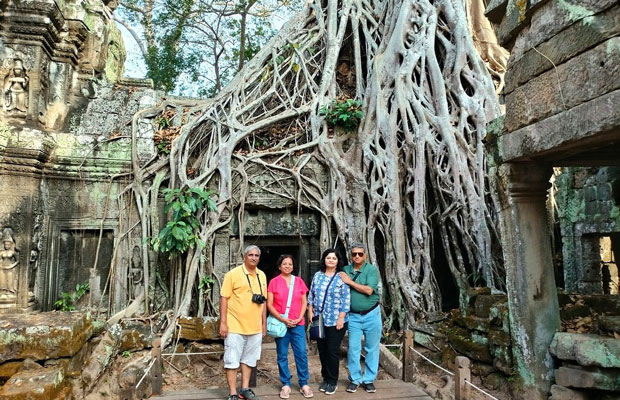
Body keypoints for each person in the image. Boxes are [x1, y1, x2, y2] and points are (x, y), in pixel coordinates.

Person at [220, 245, 267, 400]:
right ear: (244, 256)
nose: (254, 258)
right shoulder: (232, 274)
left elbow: (264, 302)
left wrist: (263, 324)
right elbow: (224, 298)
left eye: (256, 255)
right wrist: (223, 323)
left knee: (249, 359)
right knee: (232, 360)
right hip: (235, 325)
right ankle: (233, 392)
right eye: (250, 255)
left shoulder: (262, 275)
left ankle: (244, 389)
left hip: (254, 327)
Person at [267, 255, 313, 399]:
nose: (287, 266)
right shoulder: (273, 282)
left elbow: (304, 302)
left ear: (293, 266)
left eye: (290, 264)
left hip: (298, 324)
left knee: (301, 353)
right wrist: (283, 319)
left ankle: (304, 383)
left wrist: (300, 317)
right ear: (279, 266)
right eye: (284, 264)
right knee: (282, 354)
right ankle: (285, 384)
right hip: (281, 324)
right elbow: (269, 304)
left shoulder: (299, 281)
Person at [340, 243, 381, 393]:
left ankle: (369, 379)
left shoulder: (371, 270)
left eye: (360, 254)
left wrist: (350, 282)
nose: (357, 256)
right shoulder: (346, 270)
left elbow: (369, 290)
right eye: (354, 254)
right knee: (353, 349)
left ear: (365, 255)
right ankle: (355, 379)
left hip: (372, 314)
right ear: (350, 256)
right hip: (353, 316)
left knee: (372, 348)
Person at [308, 249, 350, 395]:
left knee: (332, 351)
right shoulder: (318, 276)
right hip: (320, 319)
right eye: (328, 257)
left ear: (338, 261)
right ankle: (325, 378)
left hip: (336, 320)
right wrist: (310, 311)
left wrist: (341, 318)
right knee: (323, 350)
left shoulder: (341, 277)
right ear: (324, 260)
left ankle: (332, 381)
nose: (331, 260)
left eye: (334, 258)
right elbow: (311, 295)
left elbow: (346, 299)